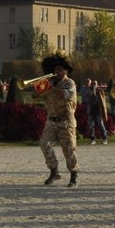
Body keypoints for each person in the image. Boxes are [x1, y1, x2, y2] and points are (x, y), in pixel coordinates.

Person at [37, 54, 80, 186]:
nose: (58, 72)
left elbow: (67, 94)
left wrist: (52, 88)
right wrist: (40, 85)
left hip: (66, 122)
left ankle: (74, 174)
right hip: (51, 121)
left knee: (69, 151)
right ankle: (54, 170)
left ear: (66, 70)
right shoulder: (50, 83)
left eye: (61, 69)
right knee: (44, 144)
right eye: (56, 70)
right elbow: (36, 95)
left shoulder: (69, 83)